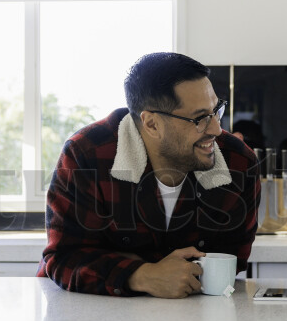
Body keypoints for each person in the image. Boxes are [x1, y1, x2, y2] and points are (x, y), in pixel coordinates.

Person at [38, 52, 260, 298]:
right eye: (199, 119)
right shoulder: (87, 153)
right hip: (93, 317)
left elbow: (233, 258)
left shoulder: (239, 162)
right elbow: (64, 257)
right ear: (152, 124)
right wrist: (144, 274)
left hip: (192, 316)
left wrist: (124, 262)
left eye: (216, 110)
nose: (217, 129)